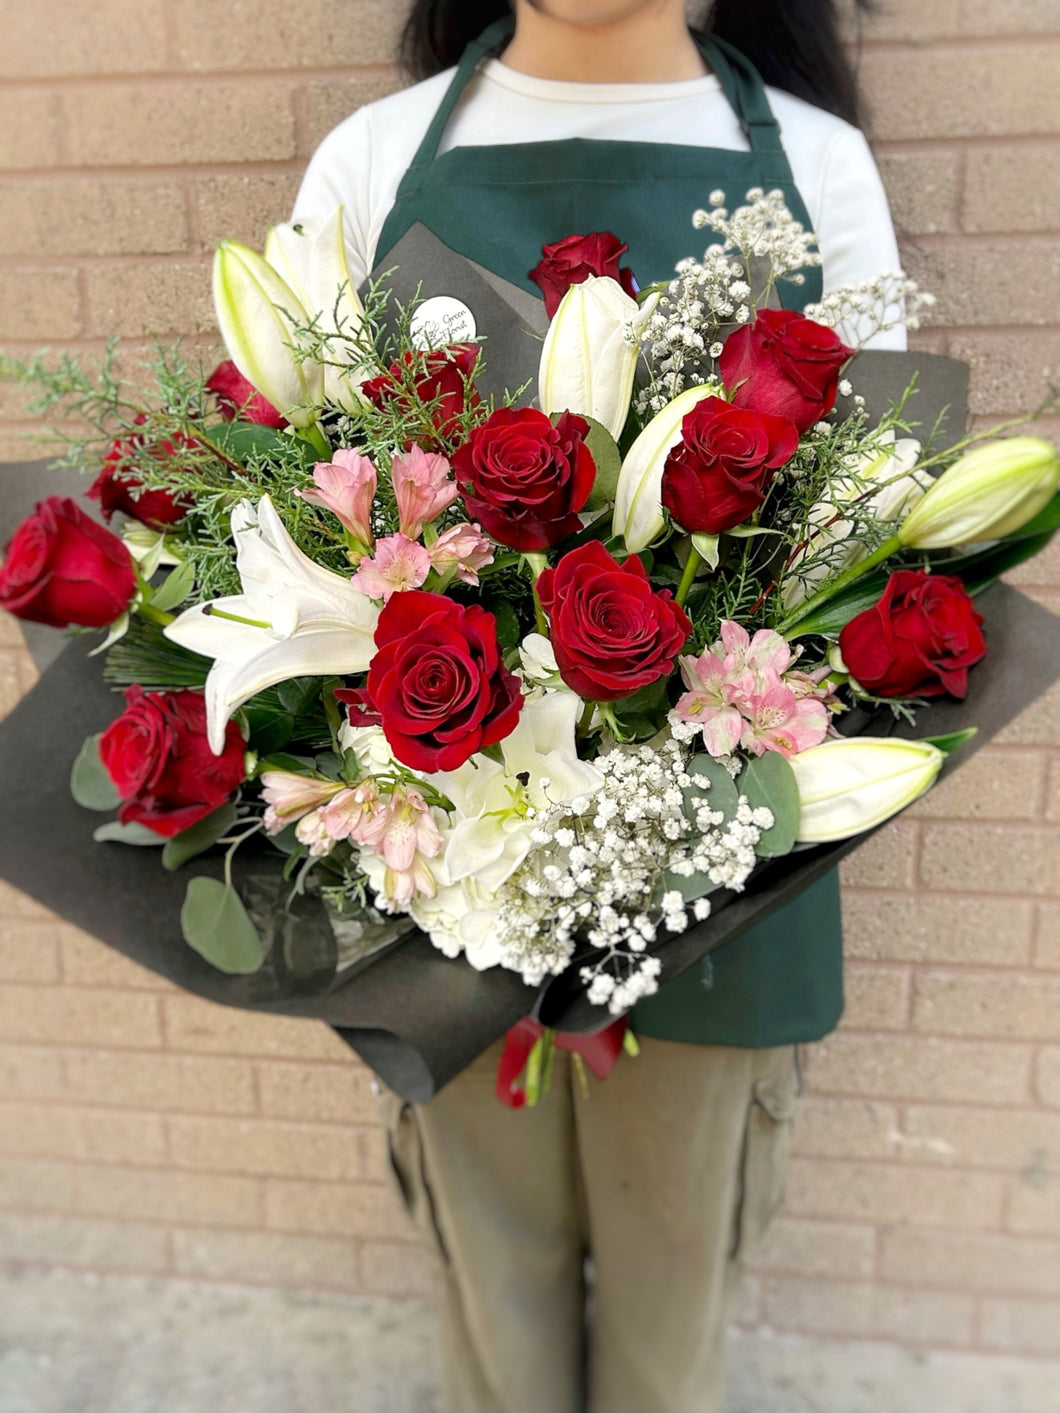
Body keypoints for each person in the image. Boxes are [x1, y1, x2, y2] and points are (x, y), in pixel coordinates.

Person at [293, 3, 903, 1410]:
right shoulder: (372, 159)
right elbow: (312, 487)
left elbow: (878, 529)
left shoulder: (815, 164)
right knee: (489, 1315)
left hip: (726, 876)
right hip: (442, 882)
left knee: (669, 1322)